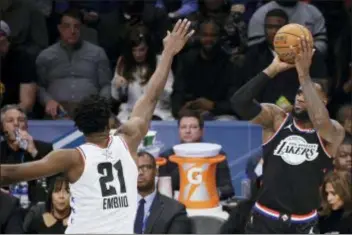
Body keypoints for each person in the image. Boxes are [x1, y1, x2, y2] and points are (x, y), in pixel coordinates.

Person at [0, 19, 194, 234]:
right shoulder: (129, 141)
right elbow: (151, 96)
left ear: (80, 129)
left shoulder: (72, 158)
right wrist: (168, 53)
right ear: (108, 120)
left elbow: (12, 173)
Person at [231, 36, 345, 233]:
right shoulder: (276, 119)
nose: (301, 98)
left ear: (323, 102)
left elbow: (320, 120)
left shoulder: (333, 131)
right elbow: (239, 103)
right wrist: (272, 70)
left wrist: (304, 76)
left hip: (304, 222)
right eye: (299, 93)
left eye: (309, 95)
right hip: (265, 218)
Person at [134, 151, 191, 234]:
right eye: (134, 168)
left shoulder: (175, 210)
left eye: (145, 168)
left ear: (156, 171)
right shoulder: (116, 207)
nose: (140, 173)